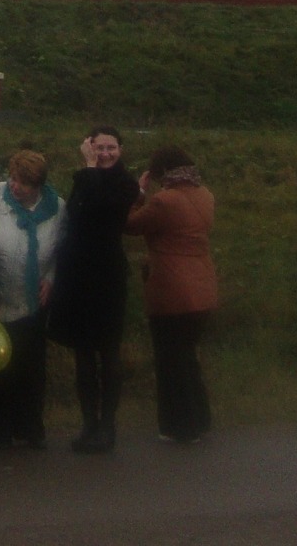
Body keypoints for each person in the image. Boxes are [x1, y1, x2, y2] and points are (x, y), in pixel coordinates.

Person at [47, 126, 139, 453]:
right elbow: (75, 213)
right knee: (83, 351)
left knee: (108, 351)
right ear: (89, 146)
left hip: (107, 276)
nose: (104, 153)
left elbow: (100, 208)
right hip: (78, 275)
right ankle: (89, 422)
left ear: (121, 149)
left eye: (110, 147)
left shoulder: (125, 184)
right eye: (98, 147)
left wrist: (87, 168)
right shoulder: (83, 179)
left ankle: (108, 425)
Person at [124, 145, 217, 446]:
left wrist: (138, 193)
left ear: (160, 172)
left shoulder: (165, 201)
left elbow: (131, 225)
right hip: (203, 288)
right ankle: (200, 419)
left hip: (172, 290)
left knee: (170, 361)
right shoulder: (206, 196)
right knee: (188, 358)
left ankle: (179, 425)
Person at [0, 149, 61, 450]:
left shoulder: (57, 208)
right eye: (13, 178)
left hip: (33, 301)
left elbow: (61, 251)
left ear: (38, 185)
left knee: (31, 367)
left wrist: (51, 278)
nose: (15, 186)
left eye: (24, 183)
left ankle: (30, 428)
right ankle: (1, 429)